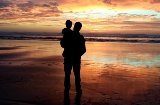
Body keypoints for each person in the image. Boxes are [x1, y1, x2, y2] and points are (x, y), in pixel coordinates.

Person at [60, 22, 86, 100]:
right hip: (75, 59)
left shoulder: (69, 34)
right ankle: (77, 90)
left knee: (68, 74)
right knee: (76, 75)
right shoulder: (79, 37)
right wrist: (78, 55)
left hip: (69, 57)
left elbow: (62, 44)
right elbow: (84, 50)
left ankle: (67, 90)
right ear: (80, 28)